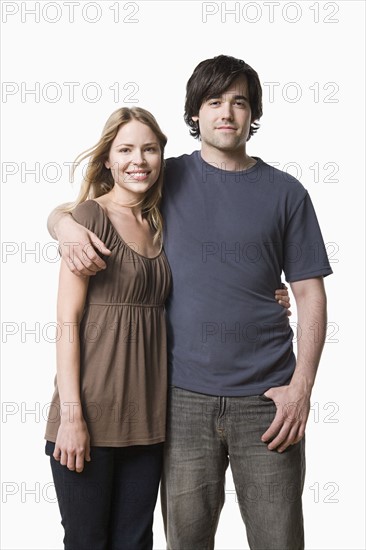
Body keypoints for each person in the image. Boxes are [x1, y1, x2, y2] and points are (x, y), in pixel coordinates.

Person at [46, 54, 327, 550]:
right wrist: (62, 225)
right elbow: (92, 205)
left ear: (252, 114)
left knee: (278, 539)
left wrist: (301, 387)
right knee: (183, 542)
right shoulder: (163, 177)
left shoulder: (287, 193)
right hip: (179, 402)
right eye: (214, 101)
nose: (226, 113)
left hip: (268, 402)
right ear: (194, 113)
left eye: (239, 102)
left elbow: (309, 293)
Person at [44, 107, 172, 550]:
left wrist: (270, 291)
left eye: (149, 149)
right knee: (85, 542)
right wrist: (72, 417)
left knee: (136, 543)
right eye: (126, 149)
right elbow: (67, 322)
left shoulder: (161, 223)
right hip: (89, 419)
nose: (139, 160)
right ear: (108, 161)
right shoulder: (89, 220)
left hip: (149, 422)